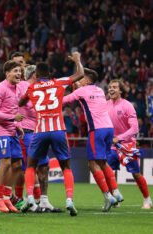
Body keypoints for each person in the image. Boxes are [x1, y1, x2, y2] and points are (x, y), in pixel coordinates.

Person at [19, 53, 83, 216]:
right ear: (50, 74)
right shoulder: (58, 83)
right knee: (66, 167)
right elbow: (80, 75)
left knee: (31, 166)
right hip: (58, 130)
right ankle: (69, 199)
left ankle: (31, 198)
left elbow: (21, 102)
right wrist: (77, 61)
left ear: (36, 75)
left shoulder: (31, 87)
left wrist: (28, 99)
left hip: (39, 130)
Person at [63, 68, 124, 212]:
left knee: (92, 164)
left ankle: (108, 195)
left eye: (81, 79)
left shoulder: (82, 91)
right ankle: (116, 192)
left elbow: (64, 101)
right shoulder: (100, 90)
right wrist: (77, 87)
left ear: (88, 80)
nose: (79, 81)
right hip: (108, 129)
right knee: (102, 162)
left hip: (96, 130)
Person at [16, 65, 59, 212]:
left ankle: (43, 200)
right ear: (35, 74)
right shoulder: (23, 85)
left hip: (38, 132)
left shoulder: (39, 88)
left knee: (44, 166)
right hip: (26, 131)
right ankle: (29, 201)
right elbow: (19, 103)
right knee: (29, 167)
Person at [107, 79, 152, 209]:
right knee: (109, 171)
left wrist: (119, 138)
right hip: (111, 145)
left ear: (120, 90)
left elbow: (135, 129)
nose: (111, 89)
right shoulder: (105, 105)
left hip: (127, 145)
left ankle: (147, 199)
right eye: (109, 87)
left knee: (136, 174)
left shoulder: (127, 105)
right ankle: (115, 199)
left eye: (114, 87)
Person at [0, 60, 24, 213]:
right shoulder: (0, 88)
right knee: (5, 163)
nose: (19, 74)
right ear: (7, 73)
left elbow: (13, 110)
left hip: (12, 131)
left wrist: (17, 126)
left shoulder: (16, 89)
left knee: (15, 165)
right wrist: (12, 119)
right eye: (15, 71)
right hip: (0, 131)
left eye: (20, 71)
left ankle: (6, 198)